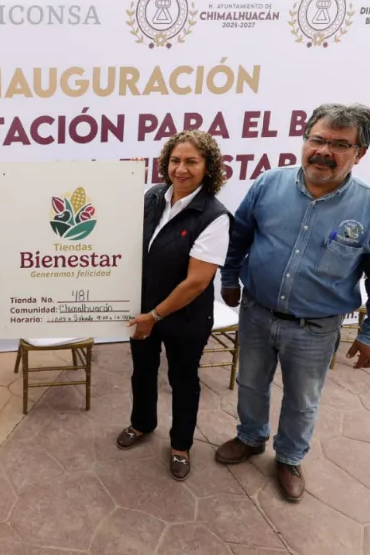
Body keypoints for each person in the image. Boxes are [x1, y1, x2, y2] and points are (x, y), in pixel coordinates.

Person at [214, 103, 370, 503]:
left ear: (360, 153)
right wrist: (230, 280)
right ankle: (250, 437)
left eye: (340, 144)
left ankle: (289, 457)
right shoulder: (269, 184)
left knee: (302, 400)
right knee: (251, 384)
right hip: (257, 312)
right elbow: (239, 236)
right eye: (317, 139)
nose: (324, 151)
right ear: (304, 141)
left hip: (316, 327)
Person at [117, 131, 231, 481]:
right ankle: (142, 423)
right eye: (175, 160)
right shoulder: (153, 197)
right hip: (144, 311)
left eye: (191, 162)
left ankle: (181, 445)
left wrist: (154, 316)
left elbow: (196, 282)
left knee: (183, 380)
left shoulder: (214, 216)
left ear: (208, 167)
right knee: (143, 371)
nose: (181, 169)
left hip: (185, 316)